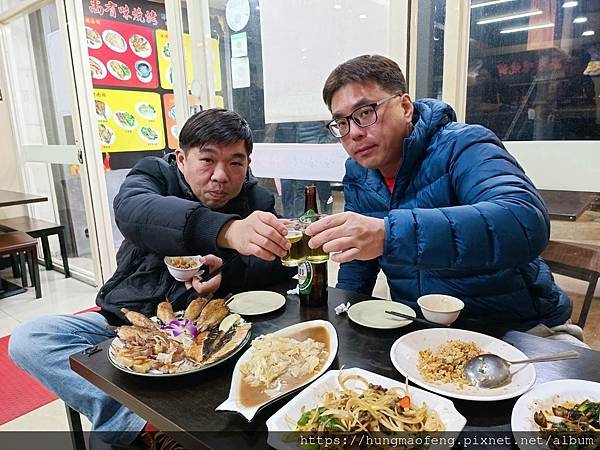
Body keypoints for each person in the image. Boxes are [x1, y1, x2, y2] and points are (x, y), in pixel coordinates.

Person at [8, 109, 294, 448]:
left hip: (209, 333)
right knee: (30, 339)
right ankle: (141, 425)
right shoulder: (155, 175)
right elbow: (133, 209)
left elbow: (275, 268)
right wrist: (227, 231)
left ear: (247, 164)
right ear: (181, 158)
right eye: (207, 160)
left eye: (235, 163)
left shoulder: (257, 200)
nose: (220, 176)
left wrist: (226, 270)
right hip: (126, 319)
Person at [305, 54, 574, 334]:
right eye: (342, 123)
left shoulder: (464, 144)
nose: (354, 134)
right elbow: (358, 258)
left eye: (365, 113)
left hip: (519, 330)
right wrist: (339, 319)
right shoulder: (359, 172)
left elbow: (523, 221)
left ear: (405, 107)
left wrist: (389, 234)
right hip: (422, 334)